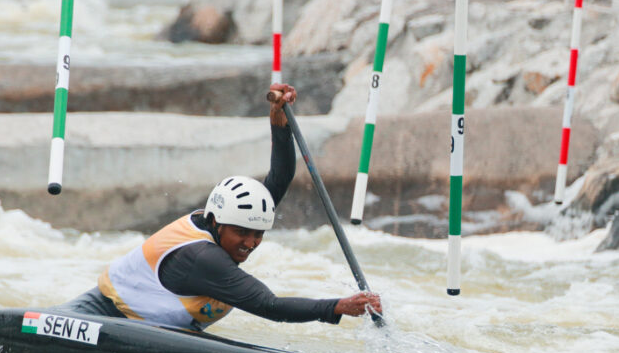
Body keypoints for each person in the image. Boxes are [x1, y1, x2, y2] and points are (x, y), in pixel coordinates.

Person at [60, 83, 381, 331]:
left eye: (258, 234)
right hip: (102, 318)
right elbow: (269, 306)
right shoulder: (203, 258)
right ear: (216, 223)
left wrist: (279, 123)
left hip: (150, 326)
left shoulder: (226, 224)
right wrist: (337, 306)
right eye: (242, 233)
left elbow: (280, 177)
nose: (250, 243)